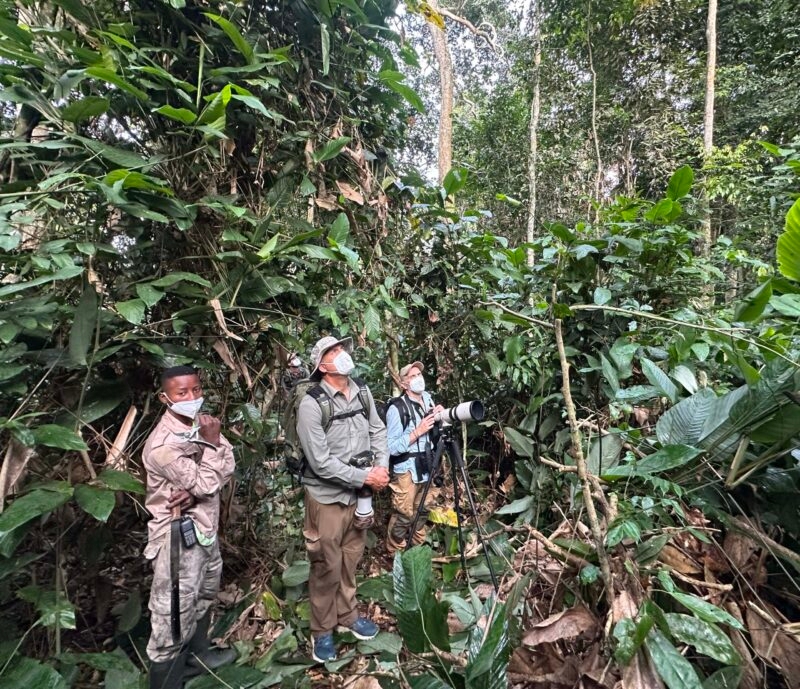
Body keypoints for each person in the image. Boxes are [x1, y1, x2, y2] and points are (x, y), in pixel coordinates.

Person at [296, 336, 390, 663]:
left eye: (341, 349)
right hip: (327, 498)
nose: (341, 354)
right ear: (322, 366)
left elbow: (378, 431)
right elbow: (320, 462)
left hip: (360, 496)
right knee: (326, 564)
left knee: (351, 558)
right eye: (333, 352)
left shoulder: (362, 391)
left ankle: (348, 615)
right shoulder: (312, 404)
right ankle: (322, 630)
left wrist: (381, 468)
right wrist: (365, 477)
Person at [142, 366, 237, 689]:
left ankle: (198, 657)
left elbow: (228, 463)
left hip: (205, 529)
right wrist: (209, 454)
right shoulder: (162, 445)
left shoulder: (200, 424)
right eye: (181, 392)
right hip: (177, 539)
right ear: (165, 397)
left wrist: (196, 488)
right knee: (173, 613)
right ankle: (167, 680)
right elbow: (209, 480)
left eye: (196, 389)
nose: (191, 397)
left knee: (205, 593)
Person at [385, 362, 445, 554]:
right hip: (407, 470)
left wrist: (440, 415)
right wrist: (418, 432)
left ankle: (418, 549)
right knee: (404, 514)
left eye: (419, 374)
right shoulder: (397, 408)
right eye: (412, 376)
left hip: (428, 464)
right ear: (404, 384)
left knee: (423, 509)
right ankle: (395, 551)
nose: (418, 378)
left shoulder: (428, 399)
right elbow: (391, 447)